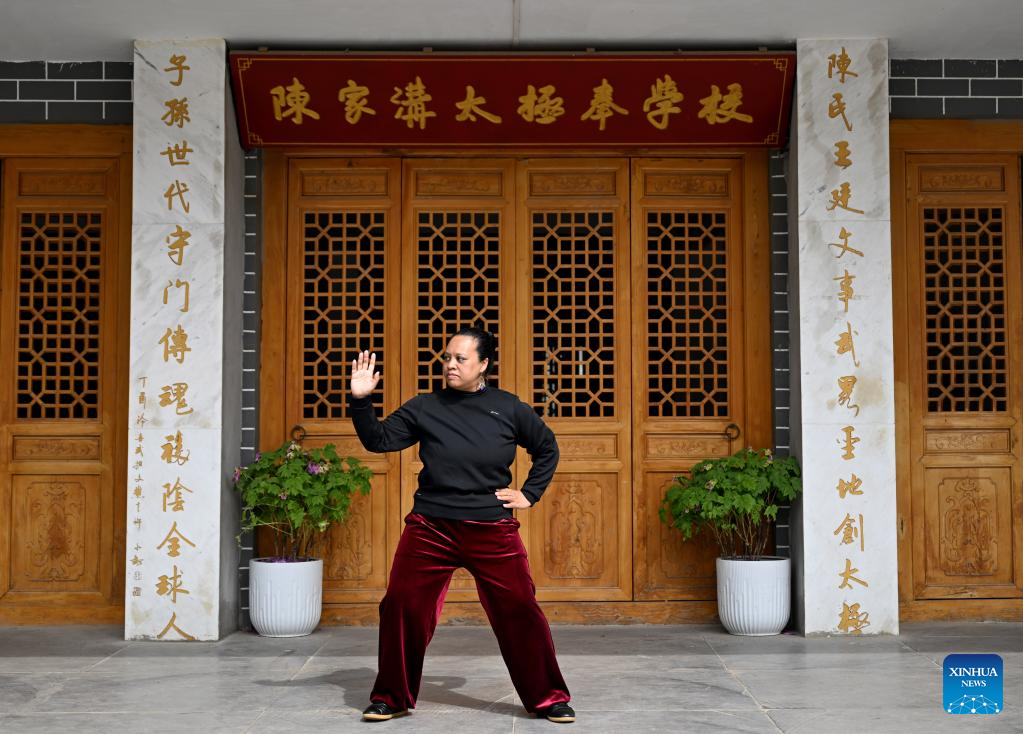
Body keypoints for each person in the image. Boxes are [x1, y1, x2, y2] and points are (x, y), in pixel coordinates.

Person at [349, 325, 574, 724]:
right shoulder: (425, 406)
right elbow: (378, 440)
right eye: (447, 358)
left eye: (460, 359)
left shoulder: (508, 407)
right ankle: (391, 696)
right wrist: (362, 401)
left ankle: (548, 697)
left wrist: (529, 493)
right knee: (400, 604)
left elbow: (546, 447)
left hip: (490, 527)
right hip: (431, 526)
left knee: (520, 607)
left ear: (483, 364)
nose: (450, 365)